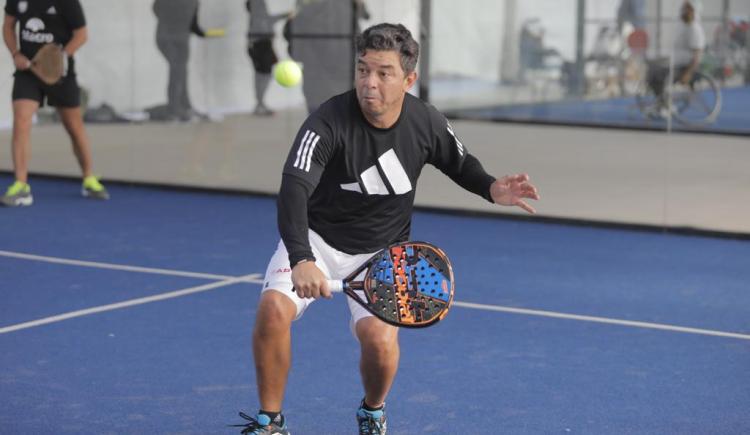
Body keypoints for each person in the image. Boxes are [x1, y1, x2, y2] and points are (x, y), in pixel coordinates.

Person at [235, 23, 540, 435]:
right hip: (318, 242)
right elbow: (293, 190)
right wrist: (303, 258)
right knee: (272, 311)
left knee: (378, 344)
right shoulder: (326, 121)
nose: (369, 83)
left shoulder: (426, 122)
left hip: (382, 255)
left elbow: (460, 162)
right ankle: (270, 423)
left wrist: (491, 188)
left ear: (408, 80)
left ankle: (372, 410)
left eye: (383, 73)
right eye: (363, 70)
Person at [1, 0, 109, 207]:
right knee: (21, 120)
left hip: (61, 73)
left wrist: (59, 58)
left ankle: (89, 178)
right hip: (28, 73)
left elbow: (81, 34)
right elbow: (7, 26)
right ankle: (21, 186)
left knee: (74, 127)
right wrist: (16, 53)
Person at [151, 0, 222, 122]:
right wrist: (171, 23)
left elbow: (194, 27)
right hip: (167, 37)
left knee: (181, 71)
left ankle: (184, 106)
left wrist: (218, 32)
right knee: (177, 70)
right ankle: (174, 110)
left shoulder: (194, 3)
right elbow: (156, 8)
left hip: (181, 39)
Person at [646, 0, 705, 113]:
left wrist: (688, 73)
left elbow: (697, 55)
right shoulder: (683, 27)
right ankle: (662, 103)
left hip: (685, 68)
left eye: (686, 8)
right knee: (652, 73)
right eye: (683, 8)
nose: (683, 11)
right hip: (676, 64)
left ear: (693, 11)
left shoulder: (695, 29)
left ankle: (667, 106)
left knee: (658, 75)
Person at [245, 0, 288, 116]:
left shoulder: (261, 15)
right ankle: (259, 104)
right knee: (261, 75)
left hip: (265, 46)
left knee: (265, 75)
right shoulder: (257, 15)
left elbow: (271, 19)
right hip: (260, 47)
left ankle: (260, 103)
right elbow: (268, 20)